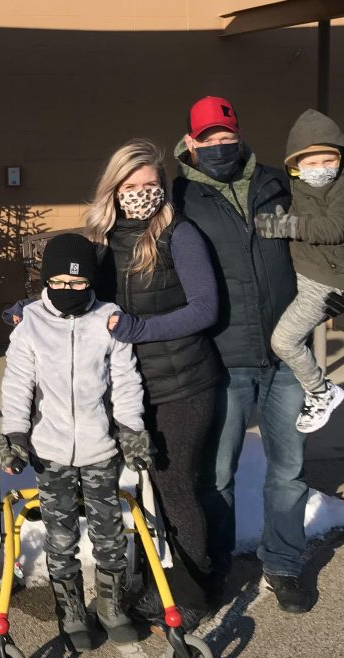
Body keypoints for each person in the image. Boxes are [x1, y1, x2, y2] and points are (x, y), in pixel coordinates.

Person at [173, 96, 315, 613]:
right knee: (216, 474)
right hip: (222, 358)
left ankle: (284, 563)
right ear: (190, 143)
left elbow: (319, 244)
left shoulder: (278, 186)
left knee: (289, 469)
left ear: (240, 133)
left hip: (287, 355)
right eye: (208, 137)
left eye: (226, 135)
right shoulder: (179, 198)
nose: (219, 145)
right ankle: (217, 565)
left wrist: (332, 289)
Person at [85, 139, 223, 629]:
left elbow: (206, 308)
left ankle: (191, 591)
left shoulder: (178, 235)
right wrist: (30, 311)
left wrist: (142, 329)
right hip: (128, 390)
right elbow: (74, 298)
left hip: (184, 385)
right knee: (140, 493)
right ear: (114, 188)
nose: (143, 194)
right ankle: (147, 582)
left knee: (174, 488)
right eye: (132, 186)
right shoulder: (99, 241)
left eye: (152, 186)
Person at [0, 233, 152, 651]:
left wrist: (132, 430)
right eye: (59, 282)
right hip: (51, 452)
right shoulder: (30, 323)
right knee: (60, 535)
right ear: (46, 280)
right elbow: (18, 384)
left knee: (109, 534)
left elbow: (125, 379)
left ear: (91, 283)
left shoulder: (108, 320)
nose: (68, 290)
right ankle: (70, 610)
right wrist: (15, 433)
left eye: (78, 283)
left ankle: (111, 605)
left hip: (101, 450)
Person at [254, 109, 344, 433]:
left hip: (324, 281)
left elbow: (335, 229)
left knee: (285, 341)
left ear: (341, 158)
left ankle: (321, 392)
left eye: (327, 160)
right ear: (296, 164)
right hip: (302, 274)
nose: (320, 169)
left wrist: (286, 225)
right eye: (311, 162)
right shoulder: (296, 187)